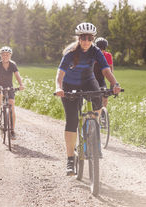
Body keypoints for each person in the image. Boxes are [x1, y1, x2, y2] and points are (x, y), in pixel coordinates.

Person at [55, 22, 121, 176]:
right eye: (83, 38)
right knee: (71, 121)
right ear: (78, 38)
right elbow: (60, 74)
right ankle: (70, 159)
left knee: (98, 97)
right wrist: (59, 87)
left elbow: (105, 69)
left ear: (93, 39)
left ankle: (92, 129)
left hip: (88, 81)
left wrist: (114, 83)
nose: (86, 41)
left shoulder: (95, 51)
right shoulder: (70, 52)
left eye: (89, 38)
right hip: (69, 84)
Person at [0, 46, 24, 140]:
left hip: (9, 87)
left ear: (10, 55)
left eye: (7, 55)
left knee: (12, 106)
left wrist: (21, 84)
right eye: (3, 55)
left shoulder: (13, 64)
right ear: (1, 55)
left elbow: (17, 75)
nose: (5, 56)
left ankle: (12, 131)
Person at [93, 37, 113, 108]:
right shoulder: (92, 55)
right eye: (99, 48)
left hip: (101, 79)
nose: (102, 50)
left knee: (105, 95)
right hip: (91, 78)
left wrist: (112, 84)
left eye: (103, 48)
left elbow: (110, 71)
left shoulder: (108, 55)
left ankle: (103, 113)